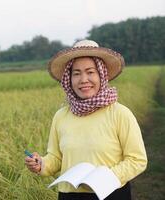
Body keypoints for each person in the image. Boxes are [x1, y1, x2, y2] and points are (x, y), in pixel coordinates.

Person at [24, 40, 147, 200]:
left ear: (101, 75)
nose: (83, 79)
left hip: (111, 193)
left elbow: (137, 160)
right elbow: (56, 158)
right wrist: (41, 163)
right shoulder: (61, 116)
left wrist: (106, 178)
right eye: (76, 73)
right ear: (69, 78)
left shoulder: (120, 114)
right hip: (69, 195)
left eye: (90, 72)